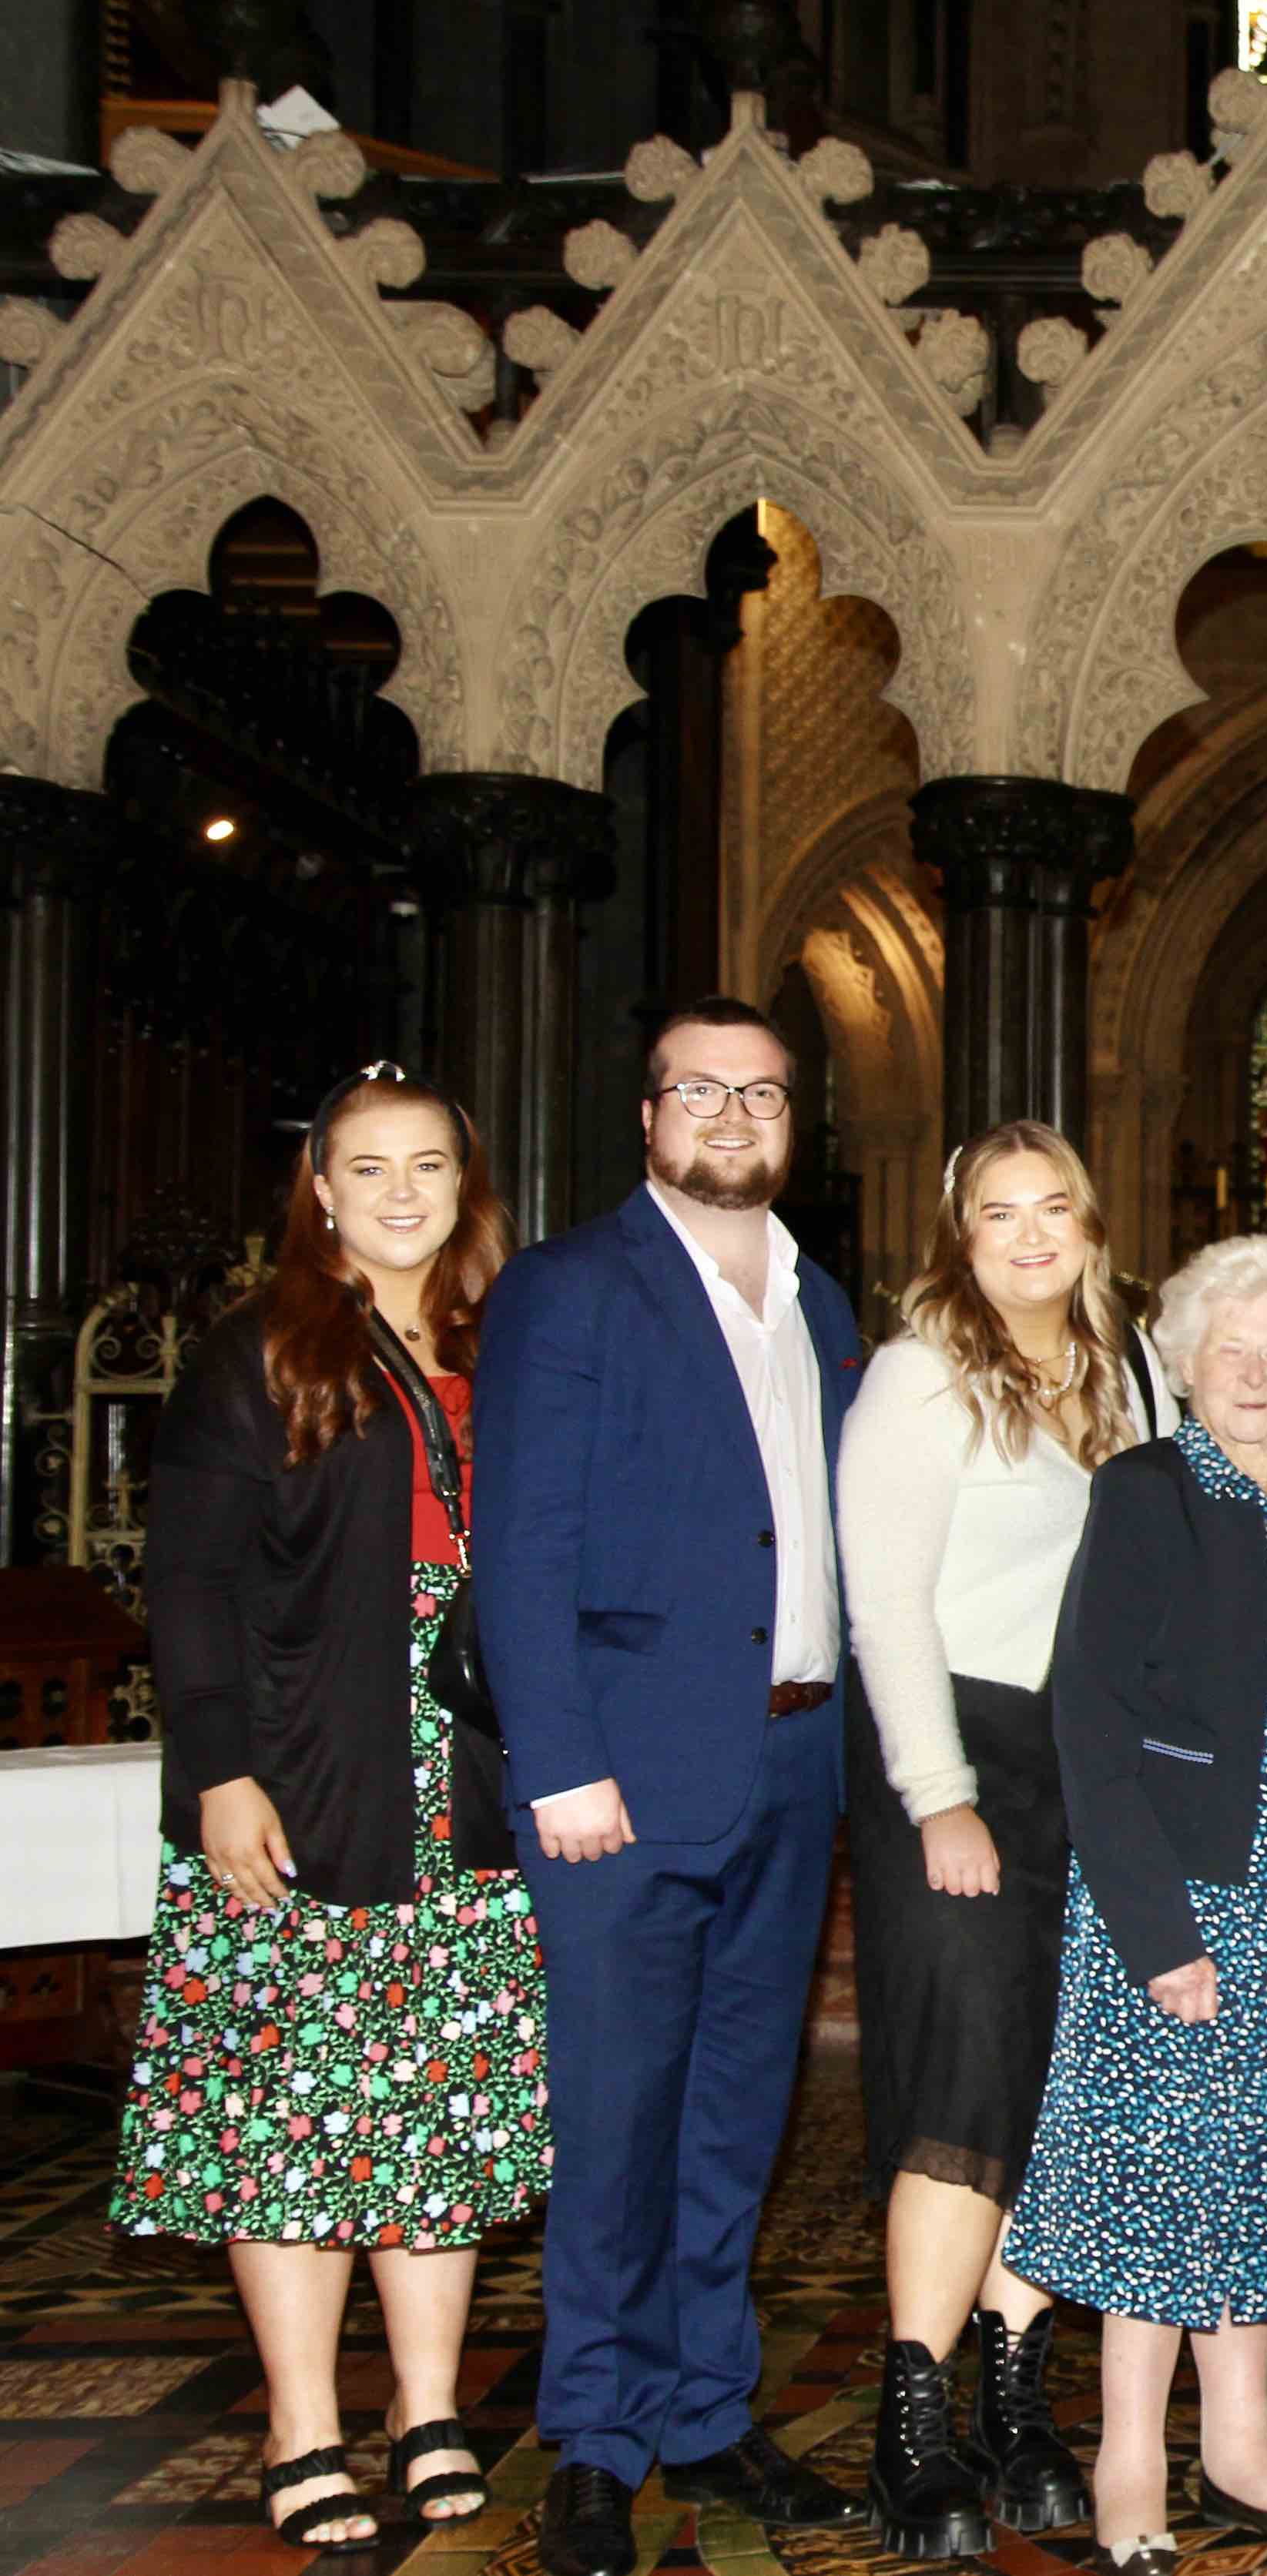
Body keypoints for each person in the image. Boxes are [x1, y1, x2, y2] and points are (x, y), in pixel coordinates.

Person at [112, 1064, 544, 2554]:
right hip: (304, 1770)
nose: (404, 1192)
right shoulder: (260, 1349)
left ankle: (427, 2408)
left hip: (471, 1782)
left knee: (443, 2112)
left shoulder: (514, 1338)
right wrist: (216, 1771)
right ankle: (305, 2424)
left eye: (430, 1164)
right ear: (321, 1190)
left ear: (463, 1184)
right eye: (371, 1168)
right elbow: (188, 1580)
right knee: (286, 2115)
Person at [475, 997, 870, 2576]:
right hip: (620, 1783)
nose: (729, 1113)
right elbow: (524, 1546)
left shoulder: (821, 1301)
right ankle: (592, 2435)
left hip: (788, 1762)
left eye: (759, 1092)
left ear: (793, 1123)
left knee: (732, 2118)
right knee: (617, 2122)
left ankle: (706, 2409)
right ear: (647, 1117)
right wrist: (559, 1760)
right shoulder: (570, 1289)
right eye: (697, 1088)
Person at [836, 1121, 1178, 2555]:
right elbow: (885, 1605)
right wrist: (938, 1790)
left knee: (1057, 2073)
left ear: (1093, 1228)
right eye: (999, 1212)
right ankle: (912, 2415)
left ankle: (1016, 2399)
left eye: (1056, 1209)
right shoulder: (919, 1374)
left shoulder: (1130, 1372)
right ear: (958, 1234)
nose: (1032, 1235)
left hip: (1086, 1760)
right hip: (957, 1750)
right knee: (965, 2063)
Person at [1001, 1237, 1267, 2574]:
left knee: (1263, 2168)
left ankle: (1242, 2443)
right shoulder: (1144, 1490)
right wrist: (1158, 1930)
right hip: (1173, 1892)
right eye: (1232, 1348)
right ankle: (1132, 2455)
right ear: (1185, 1360)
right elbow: (1090, 1721)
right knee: (1154, 2177)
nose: (1257, 1371)